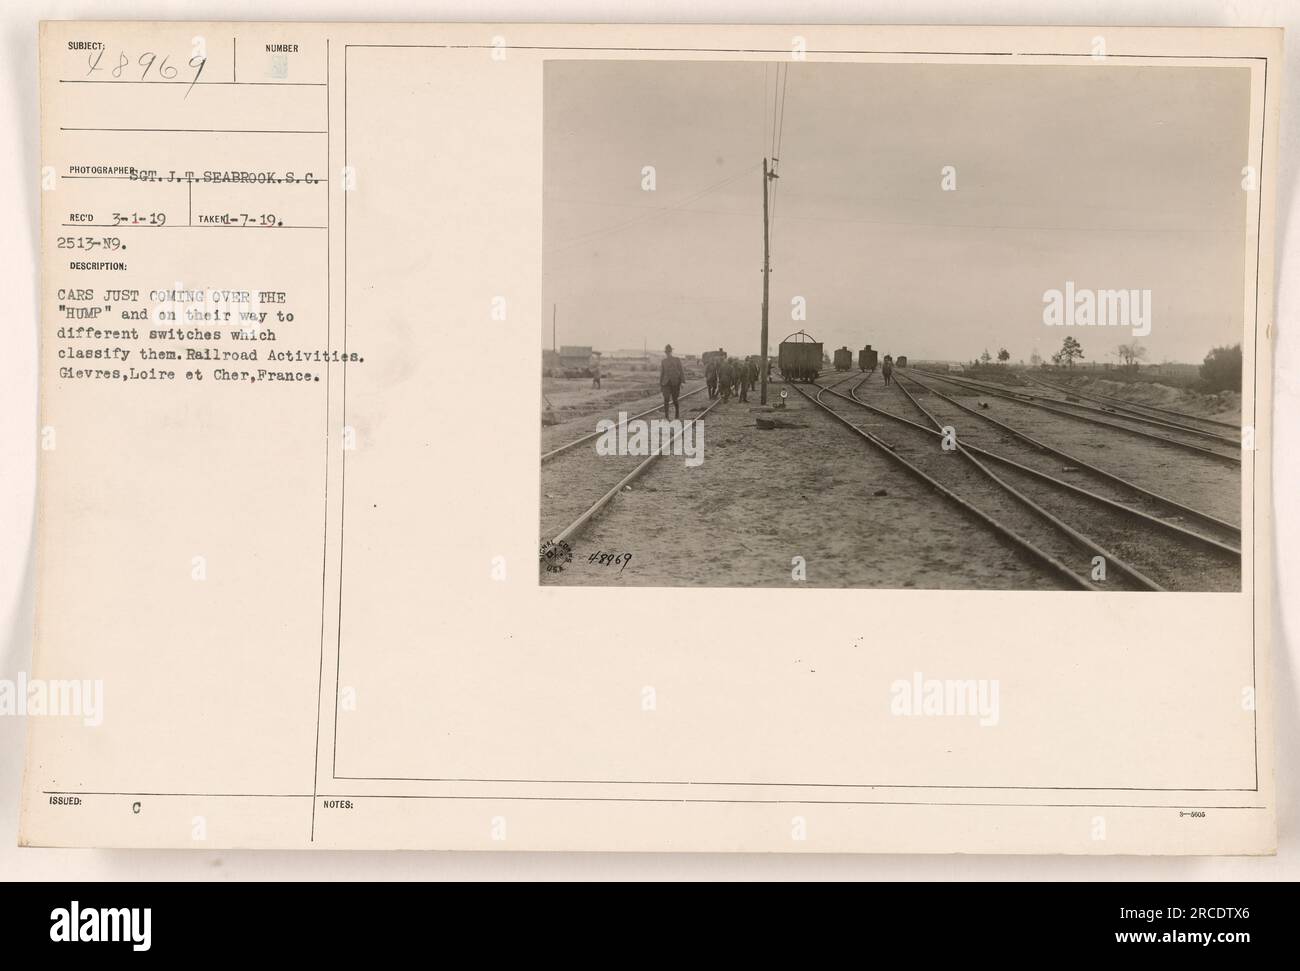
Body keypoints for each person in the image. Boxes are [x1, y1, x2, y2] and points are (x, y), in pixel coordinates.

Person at [659, 344, 684, 419]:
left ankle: (677, 415)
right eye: (667, 352)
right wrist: (660, 383)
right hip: (666, 383)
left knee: (675, 400)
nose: (668, 353)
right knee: (666, 399)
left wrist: (682, 381)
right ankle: (666, 417)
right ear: (665, 353)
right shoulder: (663, 361)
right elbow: (662, 373)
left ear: (671, 352)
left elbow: (681, 371)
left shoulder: (677, 360)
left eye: (669, 351)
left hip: (675, 383)